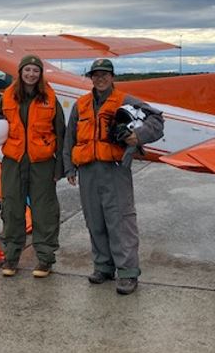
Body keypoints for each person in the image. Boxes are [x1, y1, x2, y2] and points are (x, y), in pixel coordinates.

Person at [62, 58, 164, 295]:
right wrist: (69, 167)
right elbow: (71, 137)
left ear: (112, 77)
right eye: (96, 75)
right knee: (94, 220)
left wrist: (136, 136)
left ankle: (128, 273)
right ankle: (103, 267)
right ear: (91, 77)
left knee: (120, 221)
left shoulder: (124, 101)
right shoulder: (81, 105)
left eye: (105, 74)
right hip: (88, 171)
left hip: (115, 169)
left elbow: (156, 120)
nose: (100, 79)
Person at [0, 55, 65, 278]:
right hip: (13, 162)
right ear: (21, 72)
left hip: (42, 163)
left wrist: (59, 167)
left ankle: (45, 259)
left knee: (44, 211)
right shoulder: (7, 96)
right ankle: (11, 257)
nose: (31, 74)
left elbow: (61, 133)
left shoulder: (51, 98)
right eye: (28, 70)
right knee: (12, 209)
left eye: (36, 70)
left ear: (40, 74)